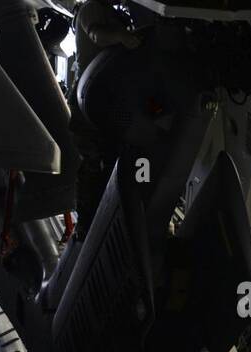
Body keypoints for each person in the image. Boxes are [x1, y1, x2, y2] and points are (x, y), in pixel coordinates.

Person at [69, 0, 141, 239]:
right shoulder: (91, 9)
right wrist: (121, 36)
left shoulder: (110, 12)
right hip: (88, 101)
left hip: (105, 101)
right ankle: (85, 226)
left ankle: (106, 220)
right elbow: (97, 35)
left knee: (109, 160)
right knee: (92, 163)